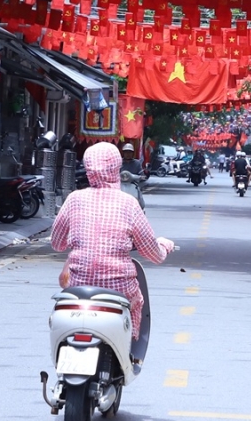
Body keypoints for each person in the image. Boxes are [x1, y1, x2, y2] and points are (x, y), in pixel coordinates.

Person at [51, 142, 175, 354]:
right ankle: (130, 350)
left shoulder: (74, 199)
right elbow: (152, 253)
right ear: (116, 167)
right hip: (120, 290)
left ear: (88, 169)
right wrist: (163, 246)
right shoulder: (128, 203)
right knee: (137, 303)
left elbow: (57, 243)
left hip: (77, 286)